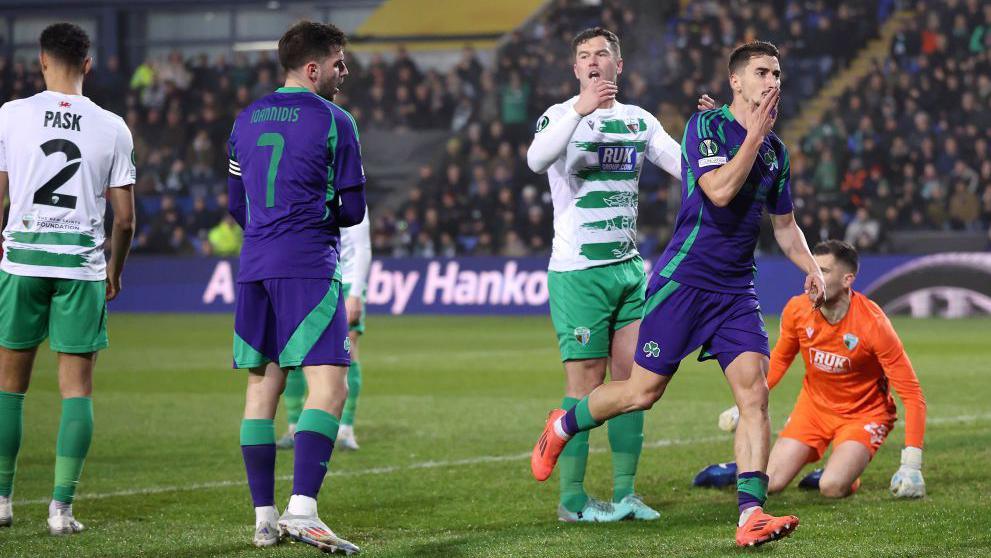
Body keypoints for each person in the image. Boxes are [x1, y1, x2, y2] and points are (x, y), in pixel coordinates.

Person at [530, 40, 825, 548]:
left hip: (735, 291)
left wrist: (813, 267)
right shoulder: (706, 128)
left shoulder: (776, 151)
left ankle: (751, 513)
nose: (772, 82)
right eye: (761, 72)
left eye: (777, 73)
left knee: (754, 394)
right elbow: (718, 191)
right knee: (642, 392)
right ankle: (563, 426)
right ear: (736, 80)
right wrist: (750, 134)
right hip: (683, 283)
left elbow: (785, 226)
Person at [525, 27, 696, 523]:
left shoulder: (638, 121)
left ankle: (625, 495)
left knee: (632, 382)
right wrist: (581, 108)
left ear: (618, 66)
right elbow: (536, 160)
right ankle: (572, 501)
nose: (594, 61)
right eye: (584, 56)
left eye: (602, 54)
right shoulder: (559, 116)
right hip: (578, 273)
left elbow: (685, 168)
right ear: (576, 69)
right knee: (584, 385)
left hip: (627, 270)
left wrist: (720, 139)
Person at [227, 20, 364, 554]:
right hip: (307, 264)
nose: (344, 71)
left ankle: (264, 519)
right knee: (331, 387)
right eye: (338, 63)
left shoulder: (246, 117)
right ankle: (303, 510)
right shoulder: (336, 121)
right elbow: (352, 210)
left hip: (254, 264)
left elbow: (236, 204)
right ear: (314, 68)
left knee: (262, 389)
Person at [0, 22, 136, 535]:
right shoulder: (112, 126)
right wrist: (114, 271)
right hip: (80, 269)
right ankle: (61, 510)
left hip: (23, 262)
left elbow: (0, 198)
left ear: (40, 61)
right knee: (76, 390)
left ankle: (2, 500)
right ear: (88, 65)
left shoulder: (11, 116)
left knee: (9, 387)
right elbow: (123, 219)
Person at [714, 240, 927, 499]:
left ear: (848, 279)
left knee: (832, 486)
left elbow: (912, 395)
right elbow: (780, 361)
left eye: (823, 271)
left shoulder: (874, 325)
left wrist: (911, 464)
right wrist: (744, 405)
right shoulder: (797, 309)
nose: (814, 278)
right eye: (811, 269)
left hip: (863, 415)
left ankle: (843, 472)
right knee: (769, 482)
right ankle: (739, 466)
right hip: (813, 410)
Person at [278, 208, 372, 451]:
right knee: (296, 351)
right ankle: (294, 425)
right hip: (311, 279)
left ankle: (345, 429)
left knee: (348, 351)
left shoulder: (349, 194)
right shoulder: (306, 191)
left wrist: (356, 294)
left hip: (347, 281)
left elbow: (362, 248)